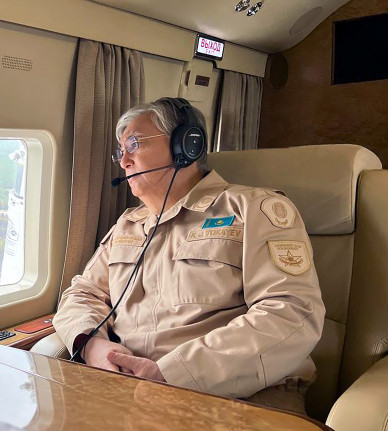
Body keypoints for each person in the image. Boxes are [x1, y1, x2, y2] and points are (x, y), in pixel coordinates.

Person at [53, 97, 324, 414]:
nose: (123, 160)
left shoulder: (253, 209)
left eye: (134, 144)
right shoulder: (128, 224)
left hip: (240, 394)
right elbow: (83, 293)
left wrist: (172, 373)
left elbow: (291, 313)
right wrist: (92, 346)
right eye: (120, 151)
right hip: (130, 386)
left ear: (187, 145)